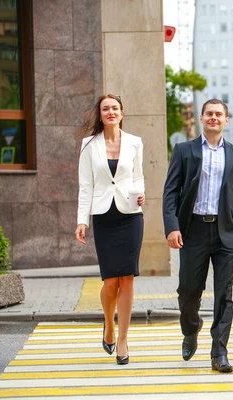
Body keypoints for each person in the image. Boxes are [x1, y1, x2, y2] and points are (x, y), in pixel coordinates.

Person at [162, 99, 233, 373]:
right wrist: (172, 226)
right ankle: (190, 329)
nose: (214, 118)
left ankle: (219, 352)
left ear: (226, 120)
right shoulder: (184, 151)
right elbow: (170, 192)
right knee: (189, 291)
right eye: (209, 114)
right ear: (201, 118)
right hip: (193, 231)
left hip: (228, 232)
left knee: (224, 294)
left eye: (219, 114)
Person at [75, 94, 145, 366]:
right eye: (106, 109)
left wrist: (141, 194)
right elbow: (85, 185)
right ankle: (108, 323)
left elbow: (138, 176)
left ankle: (124, 339)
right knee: (110, 282)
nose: (111, 112)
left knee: (127, 278)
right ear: (100, 114)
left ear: (122, 112)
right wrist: (82, 221)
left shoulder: (135, 142)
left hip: (130, 216)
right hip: (103, 216)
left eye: (115, 108)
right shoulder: (88, 145)